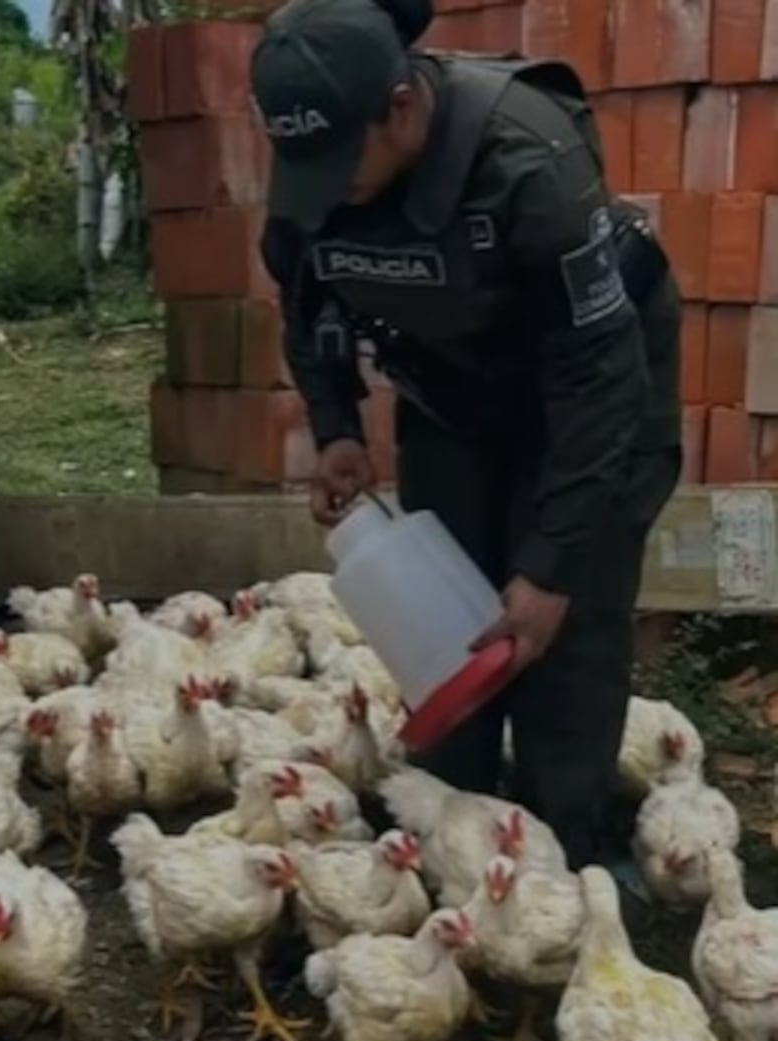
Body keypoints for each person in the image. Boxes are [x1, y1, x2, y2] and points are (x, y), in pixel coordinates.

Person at [251, 0, 682, 868]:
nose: (324, 186)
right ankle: (457, 843)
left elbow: (599, 379)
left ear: (402, 106)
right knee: (446, 621)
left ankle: (564, 863)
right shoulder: (319, 160)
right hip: (451, 387)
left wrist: (550, 567)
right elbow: (306, 299)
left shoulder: (528, 162)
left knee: (563, 634)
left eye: (342, 162)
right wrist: (336, 427)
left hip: (590, 392)